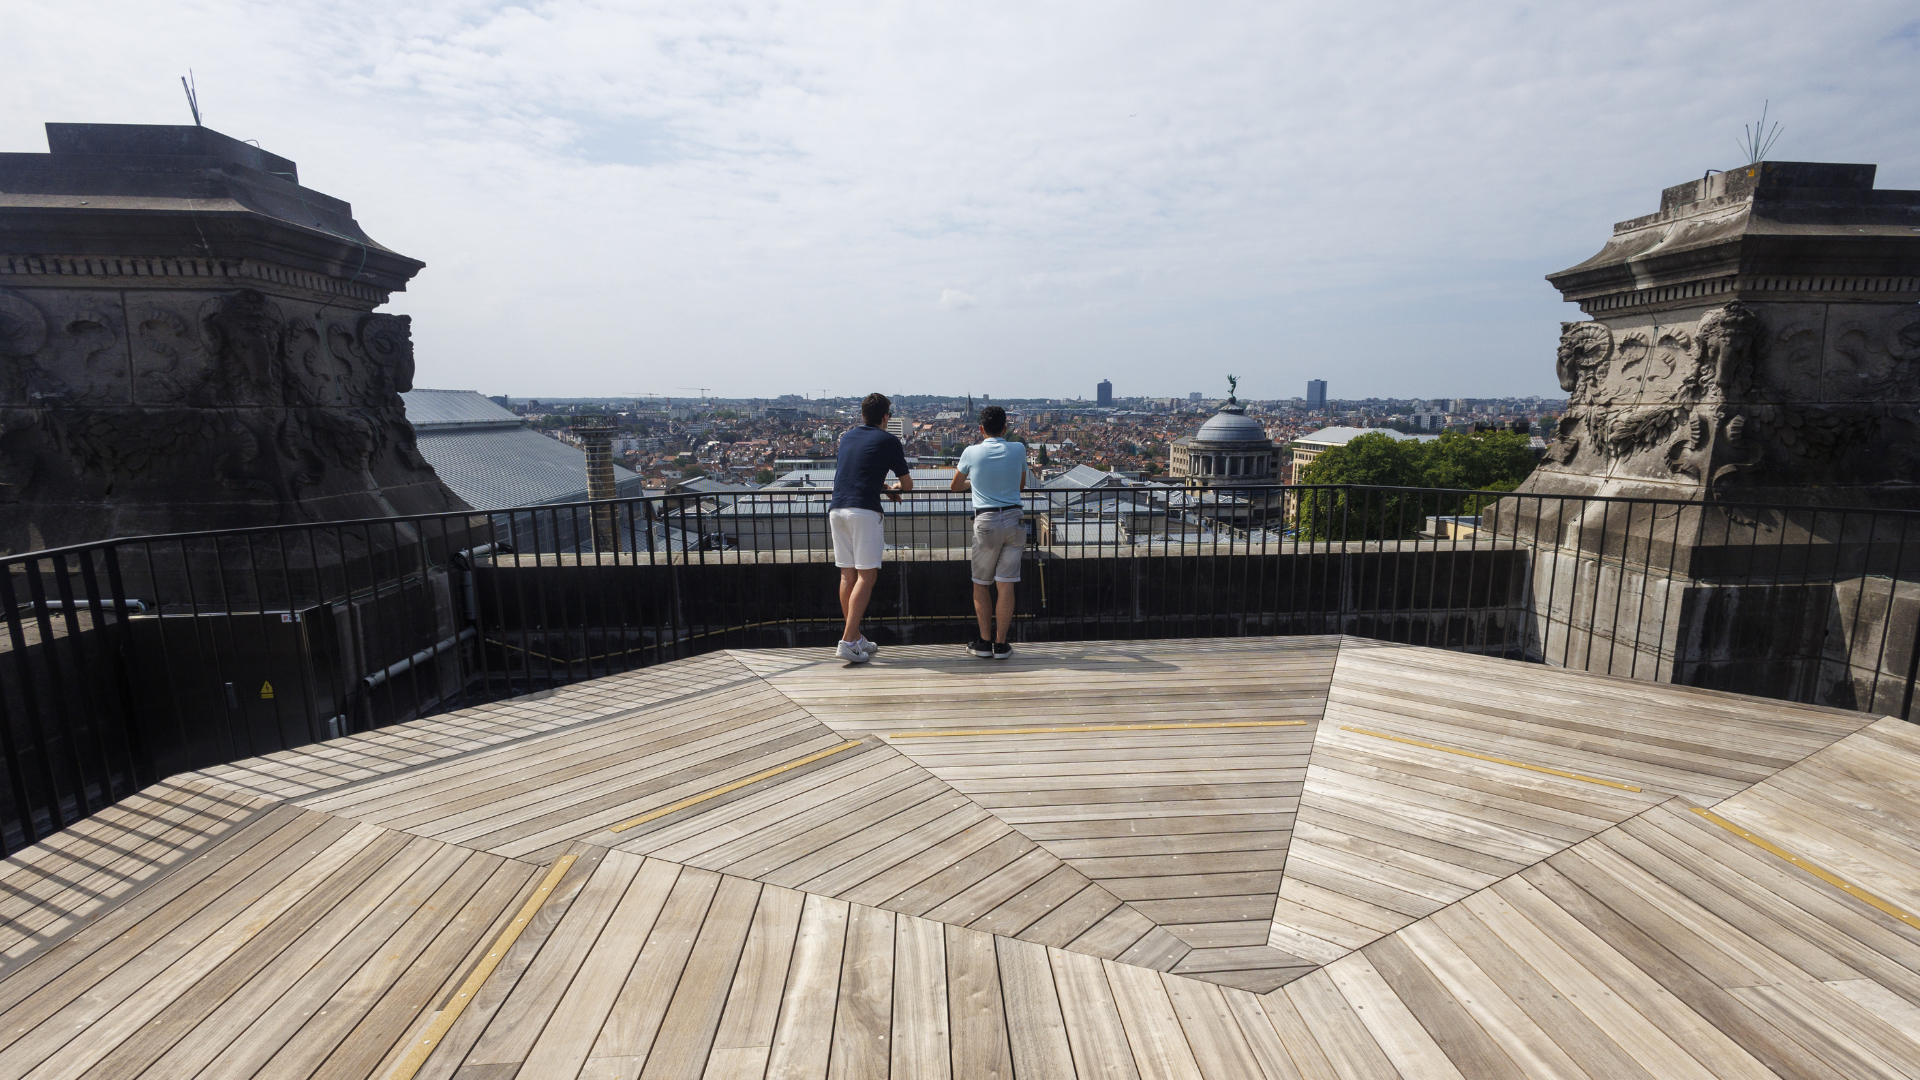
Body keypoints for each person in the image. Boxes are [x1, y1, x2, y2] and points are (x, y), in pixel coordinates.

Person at [829, 393, 913, 663]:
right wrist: (894, 487)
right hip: (864, 511)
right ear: (886, 417)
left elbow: (858, 473)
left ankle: (855, 637)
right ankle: (847, 641)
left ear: (863, 415)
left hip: (837, 509)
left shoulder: (847, 437)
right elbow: (908, 485)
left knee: (847, 576)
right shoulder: (889, 440)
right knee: (866, 577)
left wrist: (883, 486)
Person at [951, 405, 1029, 659]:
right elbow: (1020, 485)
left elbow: (955, 486)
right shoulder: (1018, 448)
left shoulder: (971, 452)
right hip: (1014, 519)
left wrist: (977, 482)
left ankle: (984, 643)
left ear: (981, 429)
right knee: (1006, 584)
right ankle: (1001, 645)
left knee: (981, 584)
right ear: (1005, 428)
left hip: (986, 521)